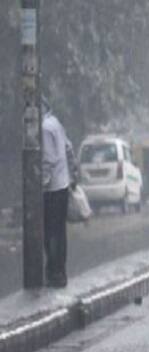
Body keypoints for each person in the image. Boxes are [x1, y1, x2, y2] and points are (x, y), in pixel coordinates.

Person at [41, 98, 73, 288]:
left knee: (51, 232)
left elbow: (48, 160)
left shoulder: (44, 127)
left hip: (52, 188)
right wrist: (72, 173)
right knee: (60, 232)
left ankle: (54, 272)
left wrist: (41, 186)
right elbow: (68, 148)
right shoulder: (56, 123)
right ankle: (60, 271)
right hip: (63, 185)